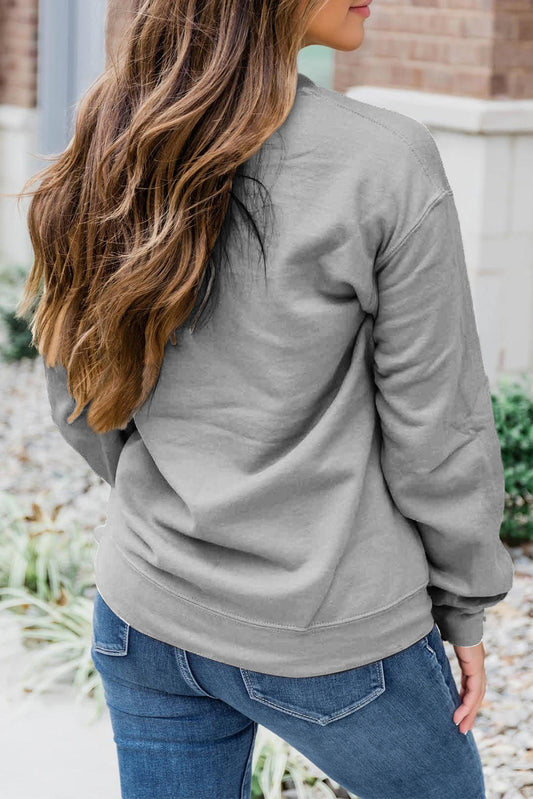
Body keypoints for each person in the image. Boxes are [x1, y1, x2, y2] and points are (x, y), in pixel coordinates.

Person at [17, 0, 514, 797]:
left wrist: (178, 497)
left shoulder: (114, 134)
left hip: (144, 612)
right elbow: (437, 429)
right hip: (329, 637)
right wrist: (465, 604)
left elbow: (80, 390)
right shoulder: (381, 160)